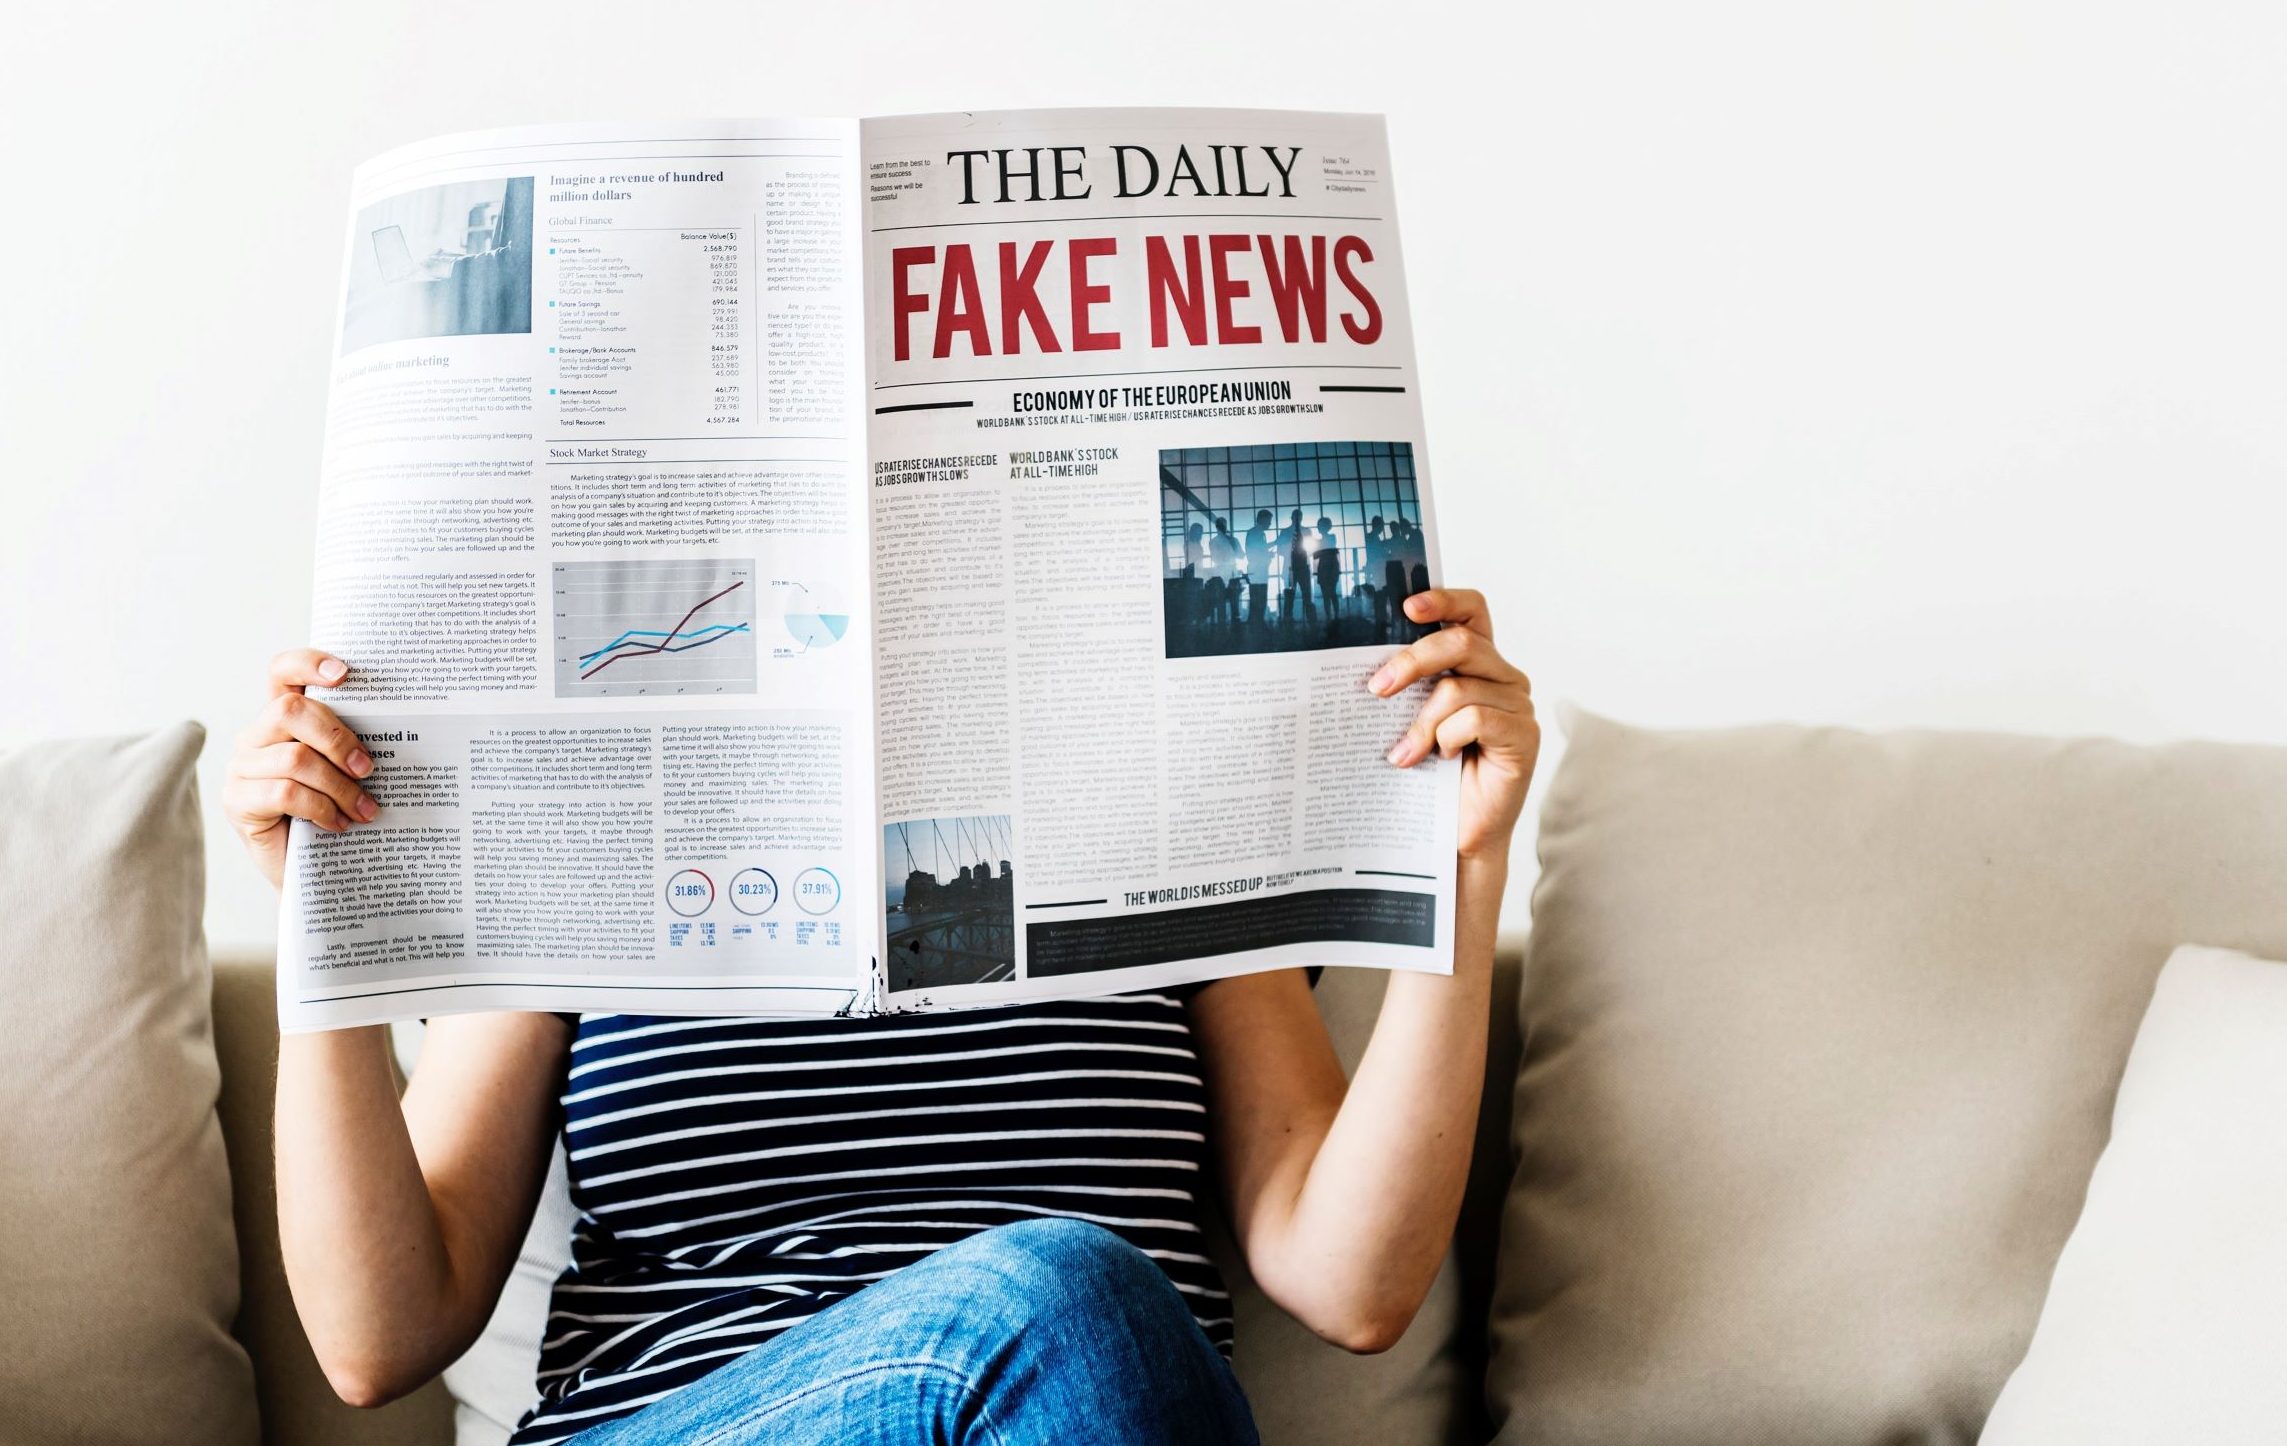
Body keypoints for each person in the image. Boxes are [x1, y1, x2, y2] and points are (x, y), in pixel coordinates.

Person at [227, 589, 1536, 1446]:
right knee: (1055, 1293)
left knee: (1062, 1304)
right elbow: (375, 1335)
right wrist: (324, 926)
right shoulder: (607, 815)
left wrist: (1462, 869)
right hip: (679, 1421)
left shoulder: (1159, 819)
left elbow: (1353, 1281)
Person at [1244, 509, 1275, 628]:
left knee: (1257, 597)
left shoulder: (1255, 533)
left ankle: (1255, 623)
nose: (1270, 524)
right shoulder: (1256, 533)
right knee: (1259, 597)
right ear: (1262, 519)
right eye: (1269, 521)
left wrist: (1267, 554)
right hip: (1258, 570)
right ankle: (1257, 624)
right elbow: (1257, 551)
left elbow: (1255, 551)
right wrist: (1273, 546)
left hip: (1257, 570)